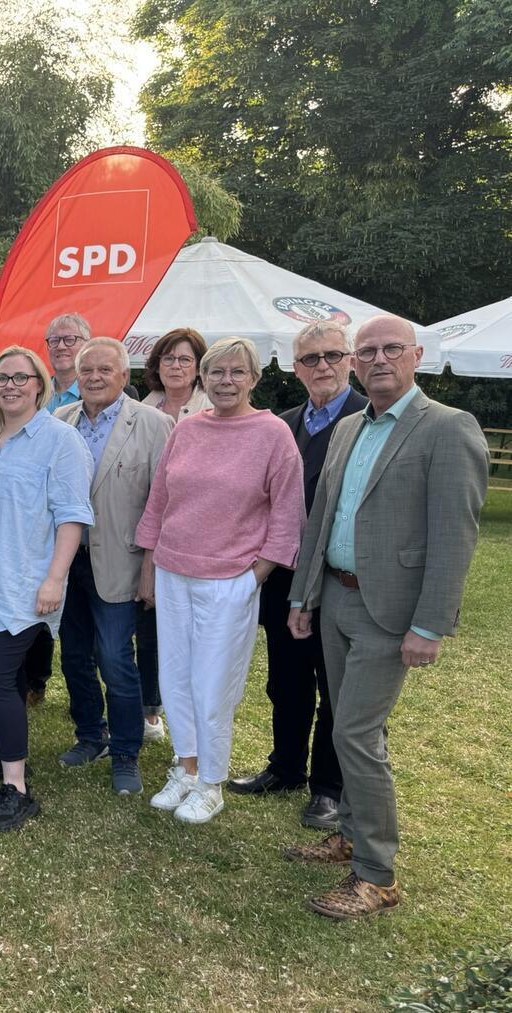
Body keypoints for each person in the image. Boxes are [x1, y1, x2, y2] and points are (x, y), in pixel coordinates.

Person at [284, 315, 487, 920]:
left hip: (391, 611)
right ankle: (349, 835)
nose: (377, 359)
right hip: (338, 599)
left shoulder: (449, 428)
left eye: (390, 349)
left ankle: (376, 874)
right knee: (346, 723)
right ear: (352, 361)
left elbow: (456, 534)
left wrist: (431, 624)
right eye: (365, 351)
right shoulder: (350, 427)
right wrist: (303, 596)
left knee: (354, 732)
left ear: (415, 355)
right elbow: (321, 519)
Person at [135, 337, 304, 824]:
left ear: (254, 378)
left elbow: (288, 513)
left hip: (229, 578)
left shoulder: (272, 434)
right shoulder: (186, 430)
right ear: (202, 380)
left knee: (213, 685)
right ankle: (185, 768)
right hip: (173, 571)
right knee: (177, 677)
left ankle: (211, 781)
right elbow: (160, 499)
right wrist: (150, 561)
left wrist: (257, 573)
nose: (226, 381)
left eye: (236, 372)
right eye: (216, 373)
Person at [228, 320, 366, 830]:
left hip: (336, 577)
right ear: (294, 366)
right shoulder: (282, 424)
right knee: (285, 680)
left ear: (349, 359)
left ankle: (328, 787)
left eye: (332, 355)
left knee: (334, 686)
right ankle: (285, 767)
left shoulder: (366, 419)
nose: (322, 366)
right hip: (284, 574)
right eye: (310, 359)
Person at [0, 345, 93, 831]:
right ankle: (11, 758)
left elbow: (73, 516)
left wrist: (55, 578)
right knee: (3, 680)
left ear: (39, 384)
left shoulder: (60, 441)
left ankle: (17, 790)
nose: (10, 385)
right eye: (2, 378)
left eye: (20, 377)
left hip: (22, 582)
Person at [54, 339, 173, 795]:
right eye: (88, 370)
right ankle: (90, 735)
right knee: (74, 656)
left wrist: (151, 568)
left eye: (106, 369)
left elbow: (162, 506)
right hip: (67, 563)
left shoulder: (154, 425)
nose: (95, 377)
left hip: (120, 563)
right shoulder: (59, 421)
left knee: (116, 660)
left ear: (125, 376)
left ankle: (126, 752)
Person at [142, 327, 212, 424]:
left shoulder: (213, 410)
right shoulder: (143, 410)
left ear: (198, 369)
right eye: (168, 358)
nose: (175, 366)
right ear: (157, 366)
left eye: (185, 359)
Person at [42, 312, 90, 414]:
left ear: (85, 346)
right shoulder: (36, 392)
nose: (61, 347)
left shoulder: (99, 392)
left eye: (69, 340)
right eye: (54, 340)